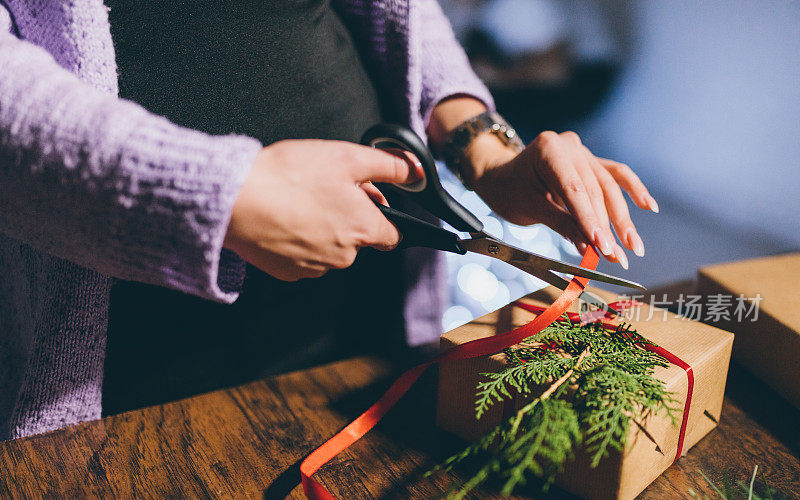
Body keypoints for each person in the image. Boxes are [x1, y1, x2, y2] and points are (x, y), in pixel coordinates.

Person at [0, 0, 657, 440]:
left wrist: (485, 145)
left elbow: (398, 10)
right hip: (137, 373)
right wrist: (216, 197)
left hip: (363, 335)